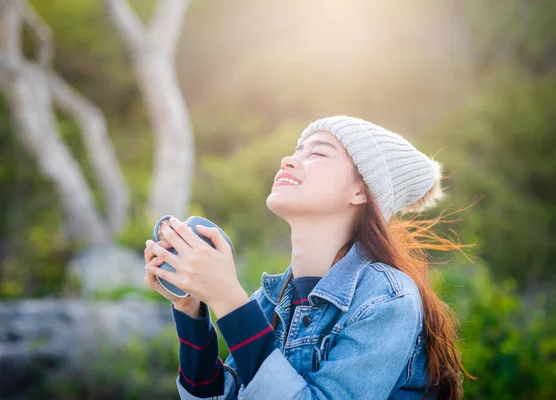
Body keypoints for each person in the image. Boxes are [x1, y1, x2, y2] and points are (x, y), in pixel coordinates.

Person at [144, 116, 469, 399]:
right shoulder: (271, 301)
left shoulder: (387, 300)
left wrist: (228, 299)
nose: (289, 159)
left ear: (360, 191)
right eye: (296, 150)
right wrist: (191, 309)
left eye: (317, 153)